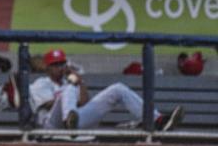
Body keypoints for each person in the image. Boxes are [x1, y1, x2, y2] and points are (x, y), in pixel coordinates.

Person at [30, 48, 185, 131]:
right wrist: (70, 88)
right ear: (48, 68)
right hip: (51, 125)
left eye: (62, 64)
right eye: (55, 65)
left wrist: (80, 82)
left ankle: (157, 120)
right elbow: (48, 105)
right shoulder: (41, 84)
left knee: (118, 89)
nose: (60, 67)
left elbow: (84, 103)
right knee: (68, 90)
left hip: (74, 121)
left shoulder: (69, 82)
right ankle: (69, 123)